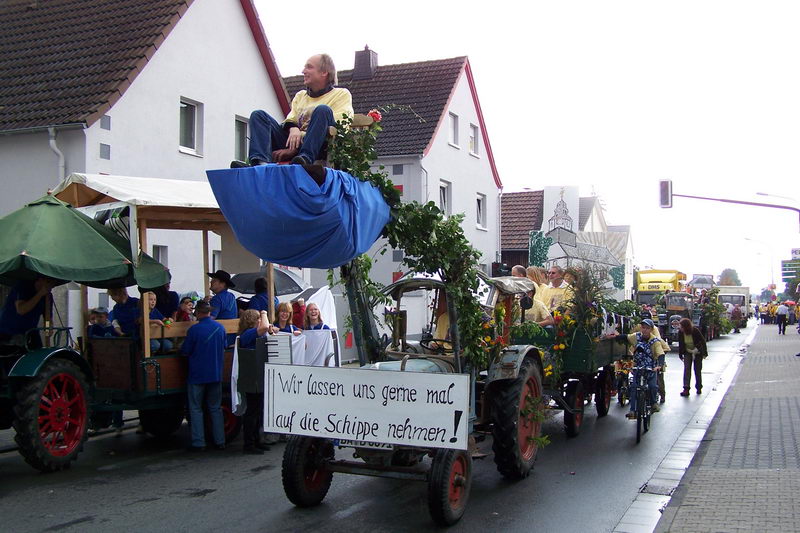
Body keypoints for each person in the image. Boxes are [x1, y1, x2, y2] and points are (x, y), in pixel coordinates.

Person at [231, 54, 353, 167]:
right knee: (258, 115)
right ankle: (260, 163)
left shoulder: (341, 94)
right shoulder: (301, 95)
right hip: (293, 143)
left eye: (309, 67)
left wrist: (297, 145)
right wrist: (294, 129)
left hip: (318, 147)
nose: (303, 71)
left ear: (324, 72)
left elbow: (339, 127)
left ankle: (305, 159)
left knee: (323, 110)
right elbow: (291, 119)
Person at [181, 301, 227, 452]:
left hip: (197, 375)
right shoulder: (220, 328)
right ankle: (220, 441)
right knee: (215, 408)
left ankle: (199, 442)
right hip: (215, 373)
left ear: (198, 313)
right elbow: (224, 345)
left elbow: (186, 351)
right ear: (209, 312)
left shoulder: (194, 330)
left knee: (196, 408)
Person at [610, 318, 664, 418]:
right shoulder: (636, 336)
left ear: (651, 329)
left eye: (647, 328)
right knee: (634, 387)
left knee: (653, 386)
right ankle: (632, 411)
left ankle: (653, 404)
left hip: (650, 368)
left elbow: (660, 354)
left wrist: (659, 366)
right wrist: (615, 335)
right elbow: (625, 337)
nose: (644, 330)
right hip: (638, 367)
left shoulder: (655, 341)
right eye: (643, 328)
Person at [237, 309, 271, 455]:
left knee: (257, 410)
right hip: (252, 377)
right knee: (252, 411)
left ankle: (256, 440)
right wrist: (264, 313)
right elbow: (263, 327)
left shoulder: (251, 333)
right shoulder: (248, 334)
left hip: (256, 375)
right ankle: (249, 443)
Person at [0, 277, 56, 348]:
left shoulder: (48, 297)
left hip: (30, 331)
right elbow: (21, 310)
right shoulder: (23, 286)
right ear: (40, 279)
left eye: (53, 284)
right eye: (48, 282)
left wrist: (48, 328)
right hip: (8, 331)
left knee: (38, 351)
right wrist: (40, 294)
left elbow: (47, 318)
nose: (50, 286)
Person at [677, 317, 707, 396]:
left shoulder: (695, 331)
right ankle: (686, 389)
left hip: (697, 351)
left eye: (681, 326)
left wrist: (704, 353)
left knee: (697, 370)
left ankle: (698, 387)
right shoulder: (680, 332)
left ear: (686, 327)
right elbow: (680, 344)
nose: (680, 328)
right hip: (687, 351)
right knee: (687, 369)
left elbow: (703, 341)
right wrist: (680, 354)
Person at [207, 270, 238, 345]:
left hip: (218, 337)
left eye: (214, 280)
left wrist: (202, 306)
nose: (211, 282)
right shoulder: (231, 296)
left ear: (222, 284)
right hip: (231, 337)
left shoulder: (217, 299)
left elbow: (210, 318)